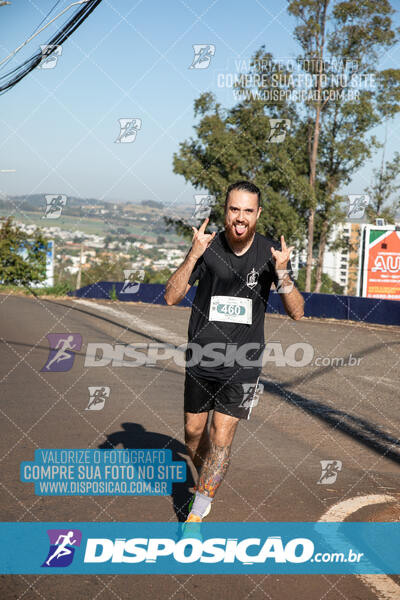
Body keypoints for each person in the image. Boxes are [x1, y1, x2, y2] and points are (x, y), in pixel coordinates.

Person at [164, 181, 304, 524]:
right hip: (201, 358)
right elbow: (171, 296)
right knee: (194, 434)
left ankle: (197, 511)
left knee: (221, 435)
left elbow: (297, 311)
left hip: (243, 363)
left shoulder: (271, 253)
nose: (239, 217)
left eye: (247, 210)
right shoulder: (208, 247)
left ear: (257, 214)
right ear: (225, 211)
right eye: (233, 209)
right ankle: (207, 476)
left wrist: (283, 272)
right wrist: (194, 253)